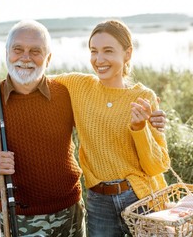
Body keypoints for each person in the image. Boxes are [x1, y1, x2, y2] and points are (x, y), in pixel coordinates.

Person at [0, 20, 167, 236]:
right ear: (7, 52)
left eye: (35, 51)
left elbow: (155, 162)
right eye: (18, 50)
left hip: (97, 207)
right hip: (42, 214)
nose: (26, 58)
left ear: (48, 58)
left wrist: (145, 126)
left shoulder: (72, 92)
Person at [53, 19, 170, 236]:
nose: (99, 59)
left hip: (140, 197)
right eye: (93, 51)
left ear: (127, 54)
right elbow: (35, 81)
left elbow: (156, 165)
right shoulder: (78, 85)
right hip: (99, 202)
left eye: (108, 51)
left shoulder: (143, 97)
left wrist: (139, 128)